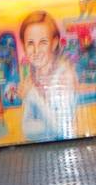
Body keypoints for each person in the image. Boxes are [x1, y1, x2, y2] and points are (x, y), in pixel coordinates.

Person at [10, 12, 79, 141]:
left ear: (54, 43)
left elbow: (61, 129)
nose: (36, 51)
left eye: (43, 42)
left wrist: (32, 96)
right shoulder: (32, 77)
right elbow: (27, 130)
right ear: (24, 46)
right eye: (30, 43)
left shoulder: (64, 74)